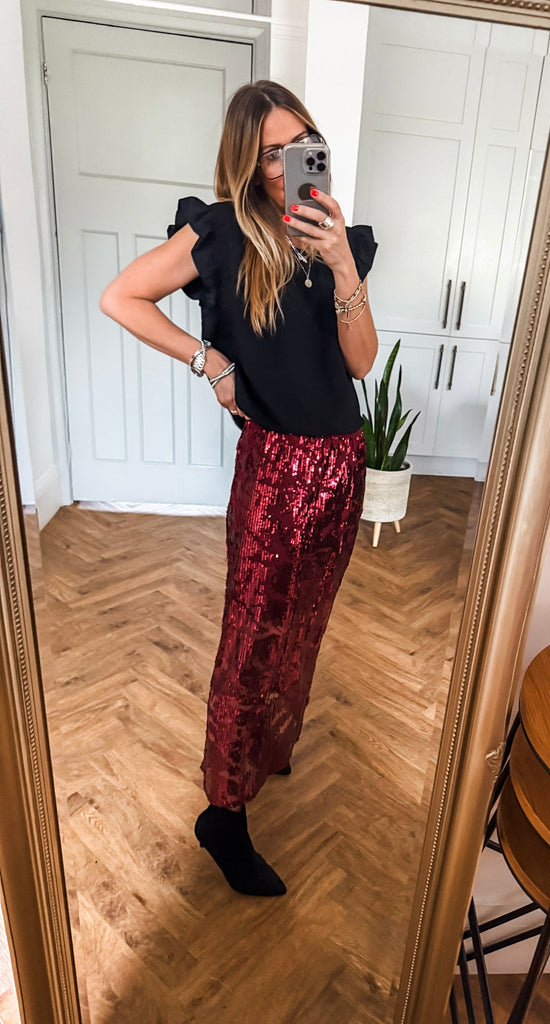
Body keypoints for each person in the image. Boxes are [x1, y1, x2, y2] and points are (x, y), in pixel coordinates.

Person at [99, 81, 377, 897]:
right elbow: (121, 297)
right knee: (252, 642)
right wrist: (209, 361)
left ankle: (269, 745)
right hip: (278, 469)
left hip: (342, 464)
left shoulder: (340, 241)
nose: (288, 164)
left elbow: (360, 362)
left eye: (301, 145)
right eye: (270, 153)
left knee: (304, 628)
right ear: (248, 163)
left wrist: (341, 263)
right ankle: (223, 810)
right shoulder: (221, 232)